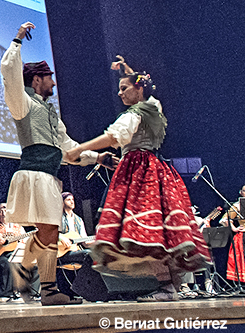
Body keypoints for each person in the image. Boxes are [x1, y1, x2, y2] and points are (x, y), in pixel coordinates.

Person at [64, 57, 212, 301]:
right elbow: (147, 92)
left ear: (139, 88)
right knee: (160, 228)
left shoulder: (135, 113)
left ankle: (166, 286)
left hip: (141, 171)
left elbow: (114, 137)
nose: (119, 93)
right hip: (156, 169)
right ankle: (170, 287)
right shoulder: (154, 107)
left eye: (124, 88)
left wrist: (78, 149)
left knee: (145, 229)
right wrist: (129, 71)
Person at [0, 22, 100, 305]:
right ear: (37, 80)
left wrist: (99, 158)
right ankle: (48, 289)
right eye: (49, 78)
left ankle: (22, 265)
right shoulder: (24, 104)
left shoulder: (50, 114)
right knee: (50, 232)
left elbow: (70, 151)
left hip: (46, 176)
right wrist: (17, 39)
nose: (54, 83)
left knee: (47, 233)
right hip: (33, 174)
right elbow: (9, 74)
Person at [221, 185, 245, 285]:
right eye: (244, 191)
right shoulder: (238, 205)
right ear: (241, 192)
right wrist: (234, 228)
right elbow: (224, 220)